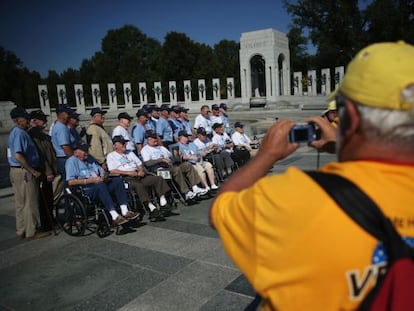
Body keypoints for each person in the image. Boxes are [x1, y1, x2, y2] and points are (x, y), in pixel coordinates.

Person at [209, 41, 414, 310]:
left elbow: (220, 209)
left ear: (348, 115)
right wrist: (344, 144)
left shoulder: (291, 199)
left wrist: (266, 155)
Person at [65, 143, 139, 225]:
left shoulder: (90, 158)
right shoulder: (71, 161)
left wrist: (104, 176)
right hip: (87, 190)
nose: (86, 152)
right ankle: (114, 216)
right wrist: (91, 180)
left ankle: (125, 211)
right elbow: (70, 181)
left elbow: (102, 171)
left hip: (101, 184)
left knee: (117, 180)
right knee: (100, 186)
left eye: (87, 150)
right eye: (84, 151)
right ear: (76, 152)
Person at [7, 106, 50, 240]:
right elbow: (18, 155)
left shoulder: (15, 132)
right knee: (30, 202)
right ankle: (32, 231)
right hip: (24, 171)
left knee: (20, 202)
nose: (27, 120)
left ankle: (21, 230)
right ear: (17, 120)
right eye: (25, 118)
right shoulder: (20, 133)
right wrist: (32, 170)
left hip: (15, 170)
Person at [106, 135, 170, 222]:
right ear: (116, 145)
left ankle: (163, 202)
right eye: (122, 143)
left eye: (125, 143)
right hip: (126, 178)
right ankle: (151, 208)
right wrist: (128, 172)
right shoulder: (111, 156)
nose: (125, 145)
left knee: (157, 178)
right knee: (139, 185)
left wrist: (140, 170)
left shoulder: (130, 153)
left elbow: (139, 163)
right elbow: (112, 171)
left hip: (138, 174)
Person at [140, 130, 208, 201]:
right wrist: (161, 160)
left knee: (187, 165)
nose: (156, 139)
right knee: (176, 169)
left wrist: (178, 155)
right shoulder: (145, 150)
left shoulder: (161, 147)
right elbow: (147, 163)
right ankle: (186, 192)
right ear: (148, 139)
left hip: (170, 166)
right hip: (158, 171)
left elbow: (171, 157)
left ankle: (195, 187)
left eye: (156, 137)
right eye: (154, 138)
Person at [28, 110, 57, 232]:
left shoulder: (40, 133)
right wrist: (48, 170)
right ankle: (46, 223)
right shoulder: (33, 135)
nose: (44, 121)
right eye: (41, 119)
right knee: (43, 198)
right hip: (43, 170)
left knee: (49, 196)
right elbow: (41, 155)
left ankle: (50, 218)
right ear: (34, 121)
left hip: (49, 168)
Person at [51, 104, 75, 176]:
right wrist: (73, 160)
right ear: (61, 114)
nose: (70, 116)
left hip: (62, 159)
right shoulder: (61, 128)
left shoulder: (59, 126)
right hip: (65, 158)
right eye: (68, 113)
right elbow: (65, 147)